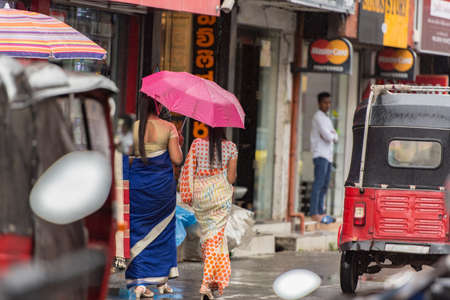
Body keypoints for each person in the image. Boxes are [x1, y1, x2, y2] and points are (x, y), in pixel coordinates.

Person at [125, 94, 183, 299]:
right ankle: (155, 278)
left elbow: (129, 156)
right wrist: (177, 143)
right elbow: (177, 158)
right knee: (162, 232)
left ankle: (139, 282)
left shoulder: (133, 127)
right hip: (161, 190)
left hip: (138, 186)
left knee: (137, 230)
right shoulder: (168, 128)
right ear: (158, 106)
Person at [179, 126, 238, 300]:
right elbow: (231, 178)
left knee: (209, 237)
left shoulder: (197, 144)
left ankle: (213, 281)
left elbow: (189, 170)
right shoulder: (231, 147)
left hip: (201, 197)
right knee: (214, 237)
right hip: (220, 197)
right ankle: (206, 283)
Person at [310, 92, 338, 223]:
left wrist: (331, 135)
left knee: (325, 185)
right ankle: (314, 212)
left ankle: (321, 212)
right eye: (325, 102)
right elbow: (328, 136)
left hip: (328, 156)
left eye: (329, 102)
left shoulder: (327, 118)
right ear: (319, 103)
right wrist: (331, 136)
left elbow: (335, 136)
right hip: (320, 154)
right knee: (318, 183)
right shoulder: (318, 117)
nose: (327, 105)